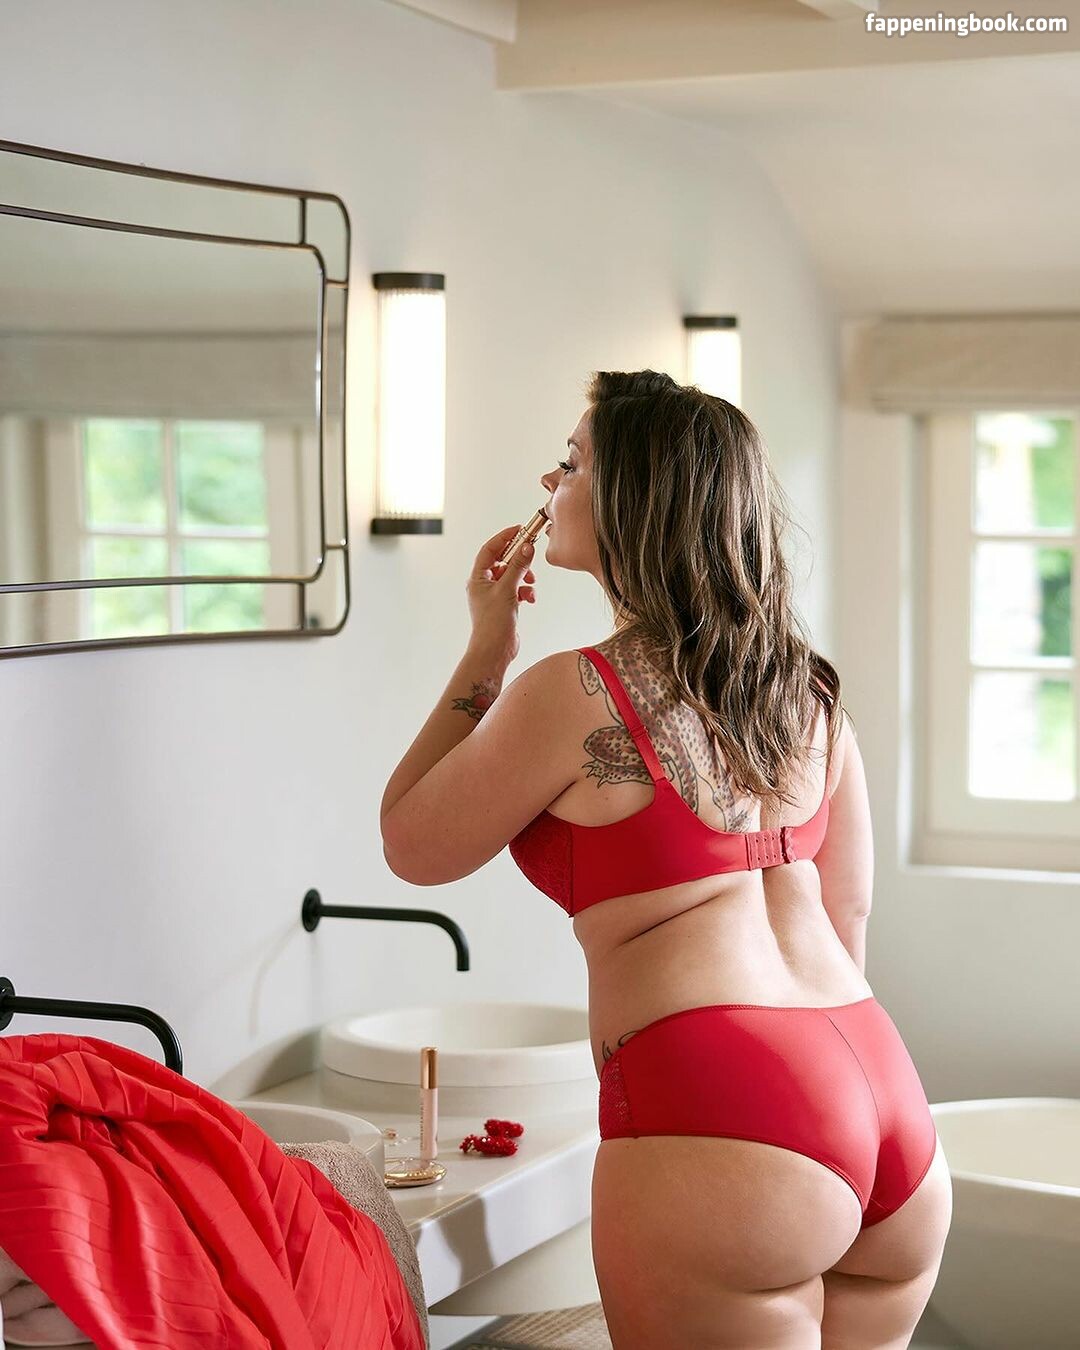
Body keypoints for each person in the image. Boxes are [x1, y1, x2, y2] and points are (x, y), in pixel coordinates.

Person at [380, 370, 953, 1349]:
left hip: (723, 1106)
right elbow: (847, 918)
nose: (549, 482)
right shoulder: (809, 695)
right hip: (880, 1095)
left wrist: (488, 649)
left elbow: (413, 843)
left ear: (633, 499)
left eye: (571, 464)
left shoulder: (574, 695)